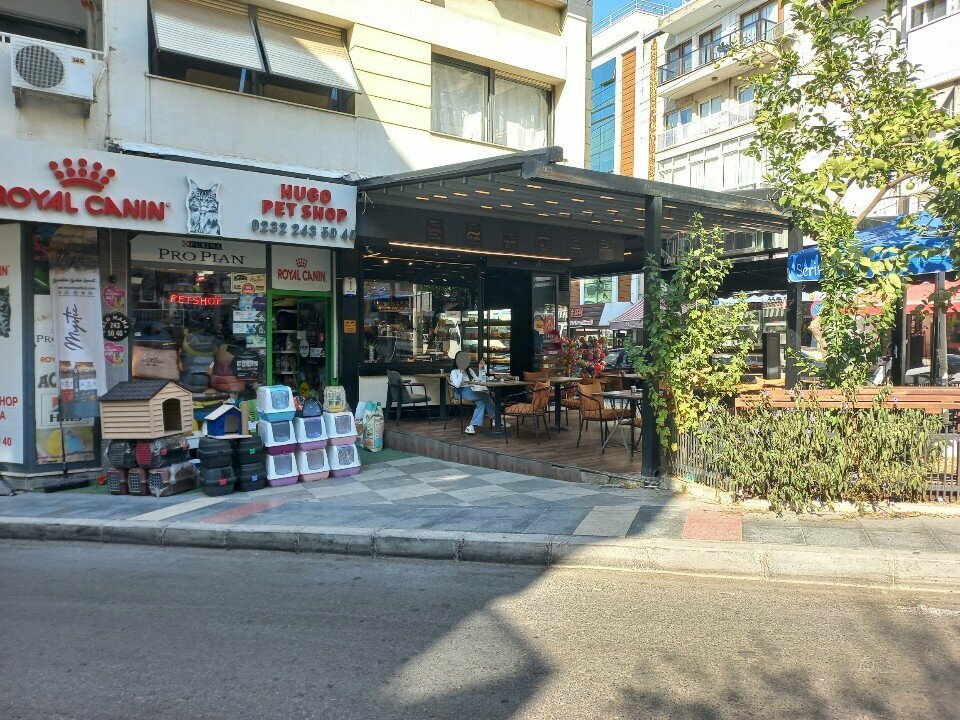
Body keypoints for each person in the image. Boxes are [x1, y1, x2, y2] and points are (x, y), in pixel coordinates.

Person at [450, 357, 508, 435]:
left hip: (471, 391)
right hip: (461, 392)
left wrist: (480, 368)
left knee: (481, 402)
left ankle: (471, 426)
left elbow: (479, 380)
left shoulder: (469, 370)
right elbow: (457, 385)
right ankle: (497, 420)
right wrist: (461, 372)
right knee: (485, 396)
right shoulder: (454, 372)